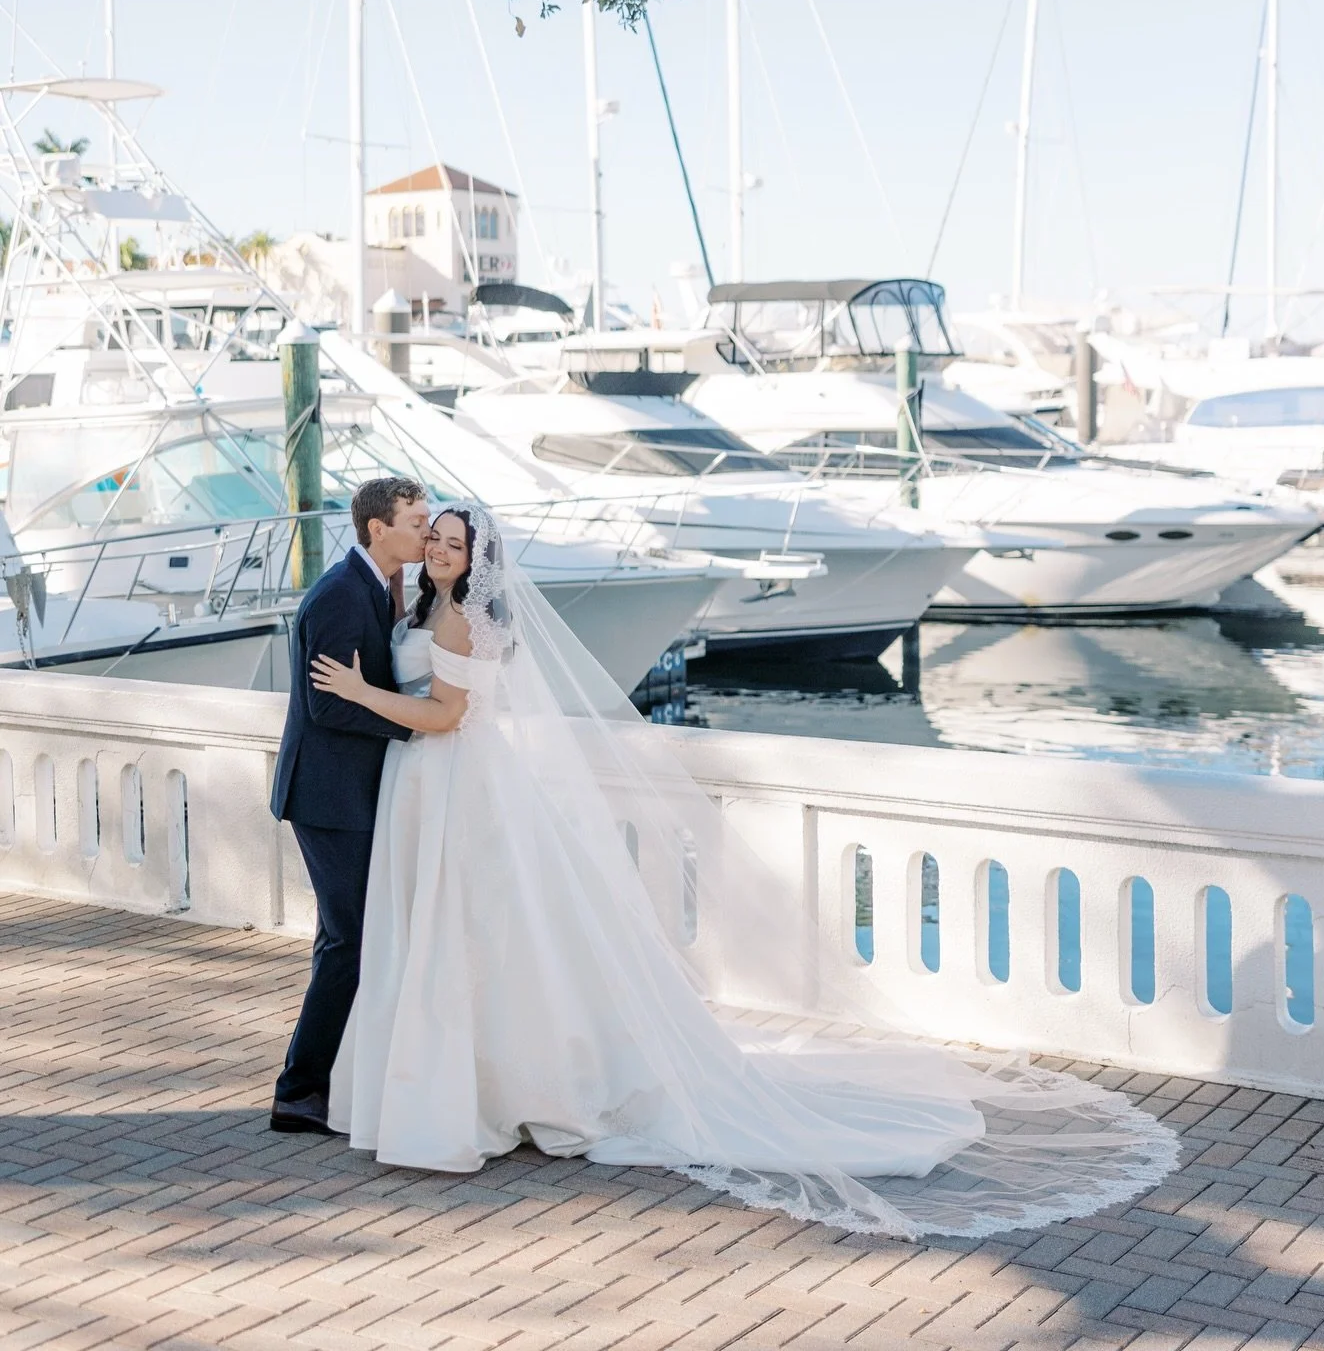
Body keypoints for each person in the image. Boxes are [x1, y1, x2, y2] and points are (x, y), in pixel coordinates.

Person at [307, 501, 1180, 1240]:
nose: (439, 549)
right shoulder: (425, 606)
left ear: (478, 557)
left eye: (454, 542)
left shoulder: (462, 616)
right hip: (433, 793)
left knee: (475, 934)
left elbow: (448, 715)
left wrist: (356, 695)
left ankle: (491, 1091)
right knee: (458, 935)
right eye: (435, 538)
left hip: (458, 782)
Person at [269, 475, 457, 1135]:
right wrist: (417, 725)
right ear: (378, 528)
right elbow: (327, 704)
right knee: (350, 940)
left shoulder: (382, 586)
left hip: (354, 791)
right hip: (327, 795)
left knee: (350, 936)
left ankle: (335, 1077)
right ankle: (299, 1092)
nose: (426, 531)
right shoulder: (342, 596)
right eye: (416, 520)